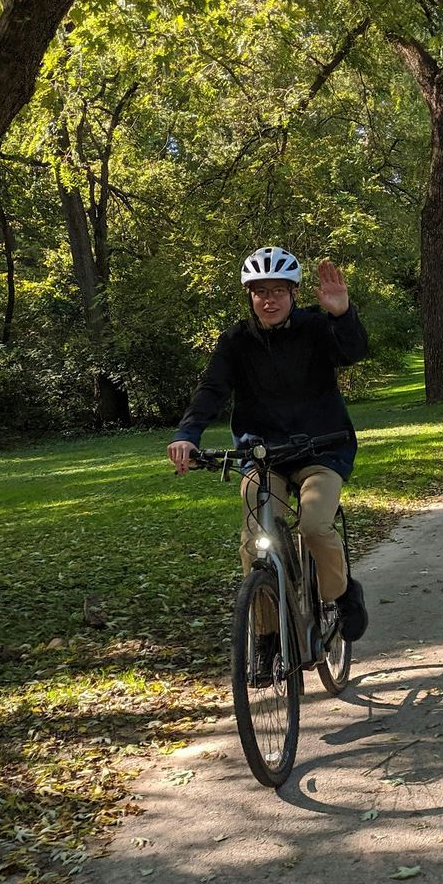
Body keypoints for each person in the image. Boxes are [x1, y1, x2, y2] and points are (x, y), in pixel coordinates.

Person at [167, 246, 369, 642]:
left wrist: (342, 315)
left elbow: (353, 352)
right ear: (250, 297)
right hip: (263, 456)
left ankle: (342, 594)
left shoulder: (315, 326)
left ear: (294, 294)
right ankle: (267, 637)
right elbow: (212, 391)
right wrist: (186, 435)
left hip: (322, 449)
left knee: (313, 525)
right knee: (254, 542)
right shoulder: (235, 342)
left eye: (278, 290)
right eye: (261, 291)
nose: (269, 299)